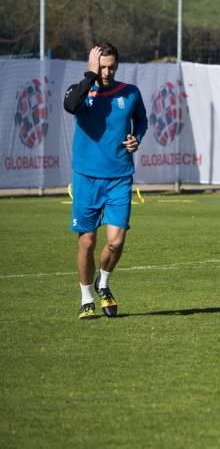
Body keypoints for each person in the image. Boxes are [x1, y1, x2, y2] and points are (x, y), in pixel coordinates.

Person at [63, 43, 147, 320]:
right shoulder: (81, 91)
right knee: (87, 242)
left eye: (112, 66)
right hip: (86, 178)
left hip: (120, 177)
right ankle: (86, 296)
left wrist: (137, 139)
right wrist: (90, 74)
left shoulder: (130, 93)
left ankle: (104, 283)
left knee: (115, 242)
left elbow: (141, 122)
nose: (107, 71)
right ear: (93, 65)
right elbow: (70, 105)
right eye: (102, 66)